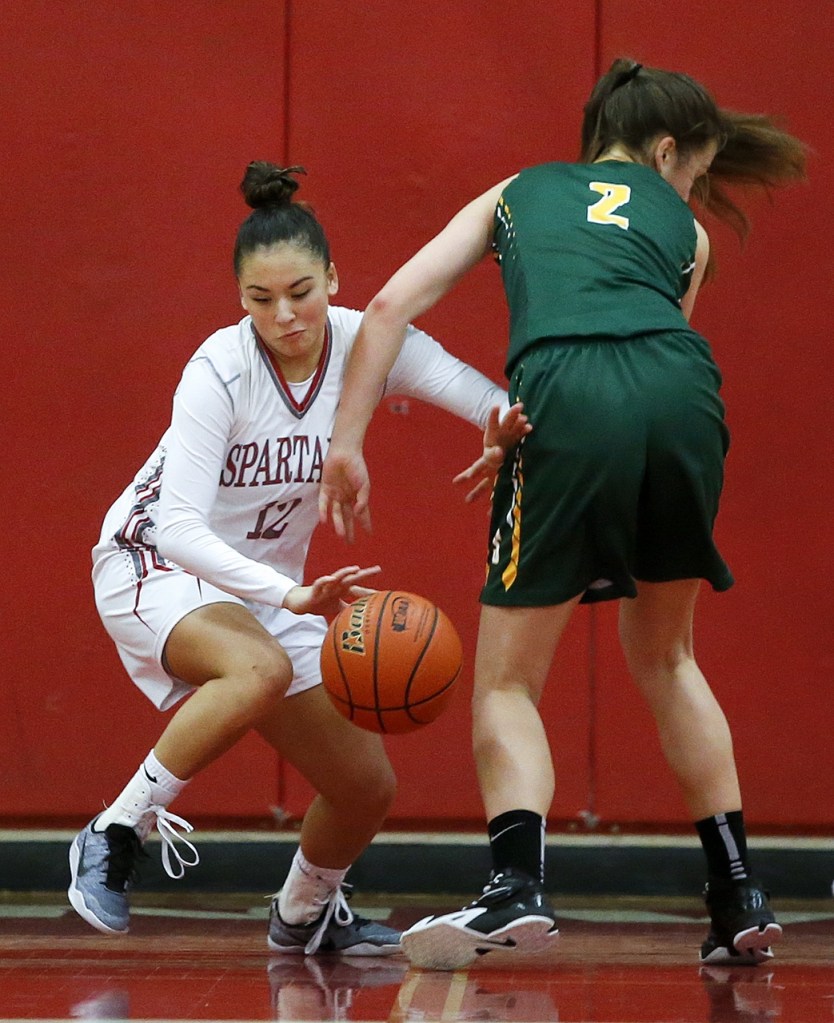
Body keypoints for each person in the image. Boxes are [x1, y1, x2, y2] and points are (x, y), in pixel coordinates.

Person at [318, 59, 807, 970]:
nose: (693, 185)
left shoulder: (517, 192)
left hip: (568, 399)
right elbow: (644, 348)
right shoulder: (688, 232)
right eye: (697, 170)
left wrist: (348, 441)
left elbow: (387, 305)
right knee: (667, 655)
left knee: (508, 682)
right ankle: (740, 895)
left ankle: (516, 886)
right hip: (686, 397)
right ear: (667, 152)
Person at [68, 161, 527, 954]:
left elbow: (474, 390)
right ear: (239, 298)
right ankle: (114, 831)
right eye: (260, 298)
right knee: (260, 670)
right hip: (152, 564)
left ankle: (306, 913)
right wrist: (285, 598)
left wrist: (506, 428)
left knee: (363, 787)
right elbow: (176, 528)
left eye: (301, 292)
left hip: (267, 591)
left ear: (334, 279)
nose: (283, 315)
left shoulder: (365, 343)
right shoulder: (219, 367)